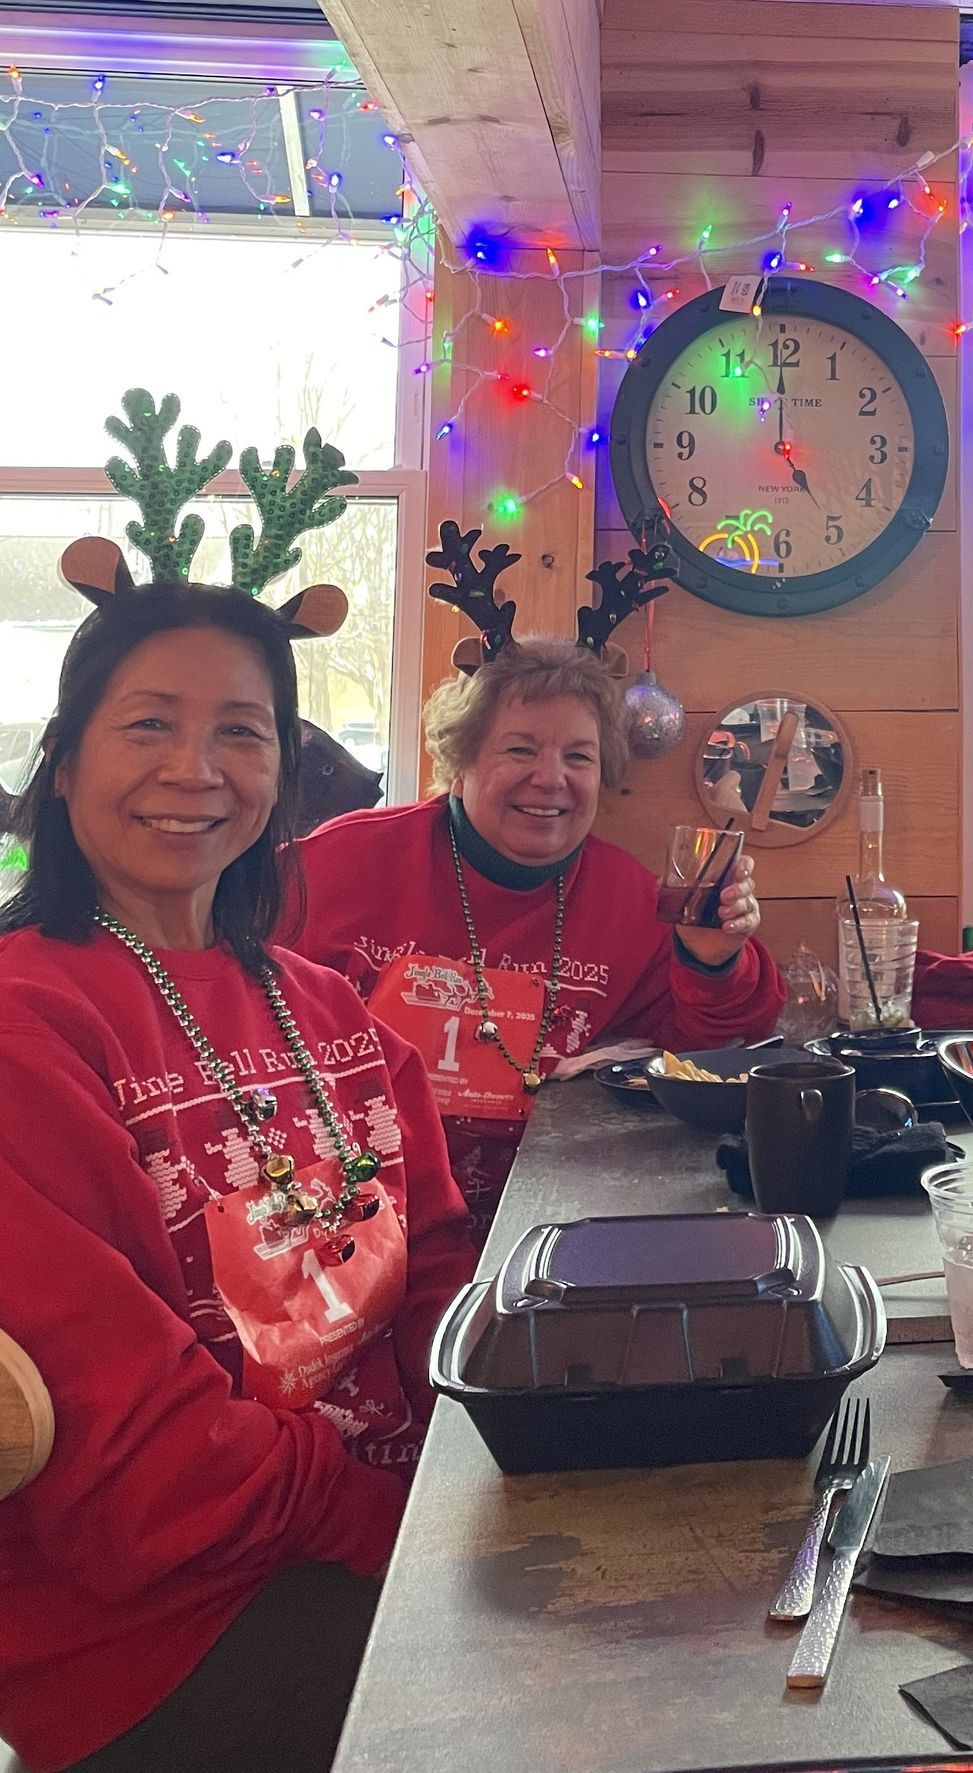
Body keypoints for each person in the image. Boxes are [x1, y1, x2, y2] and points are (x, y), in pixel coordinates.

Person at [0, 393, 473, 1773]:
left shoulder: (324, 1004)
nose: (195, 772)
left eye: (243, 732)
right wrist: (404, 1528)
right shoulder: (27, 1020)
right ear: (68, 755)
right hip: (155, 1631)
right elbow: (135, 1459)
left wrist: (494, 1457)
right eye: (149, 724)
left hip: (372, 1532)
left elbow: (438, 1262)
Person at [293, 526, 783, 1229]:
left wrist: (713, 958)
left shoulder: (631, 901)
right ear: (459, 763)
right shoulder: (337, 864)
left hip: (542, 1223)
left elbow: (710, 1056)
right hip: (346, 1218)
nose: (550, 778)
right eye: (518, 749)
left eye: (578, 757)